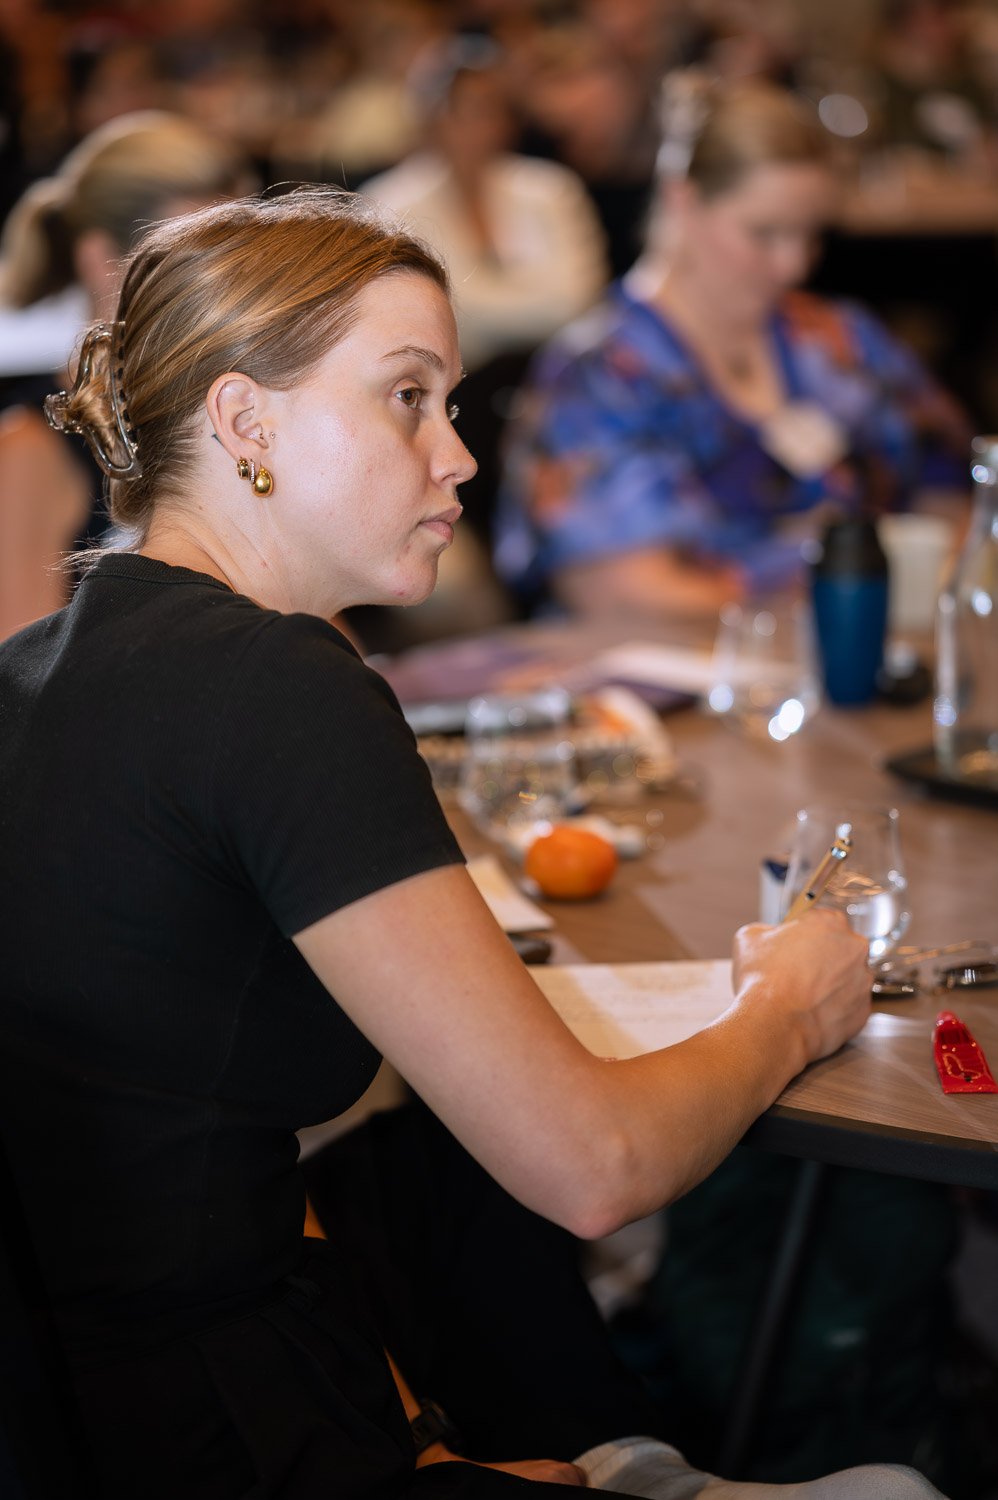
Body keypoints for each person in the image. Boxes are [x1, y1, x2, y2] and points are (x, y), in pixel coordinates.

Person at [0, 186, 943, 1499]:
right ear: (245, 421)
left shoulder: (36, 666)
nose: (457, 455)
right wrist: (788, 1005)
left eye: (447, 403)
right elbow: (594, 1167)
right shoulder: (278, 686)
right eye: (406, 398)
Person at [493, 74, 969, 621]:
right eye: (764, 233)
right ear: (683, 200)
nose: (794, 265)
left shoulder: (839, 338)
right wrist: (847, 595)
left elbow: (953, 492)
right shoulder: (602, 375)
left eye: (811, 234)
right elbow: (623, 593)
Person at [0, 108, 249, 640]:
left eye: (234, 266)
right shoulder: (29, 450)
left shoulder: (225, 414)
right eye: (185, 267)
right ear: (101, 262)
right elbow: (22, 672)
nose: (220, 295)